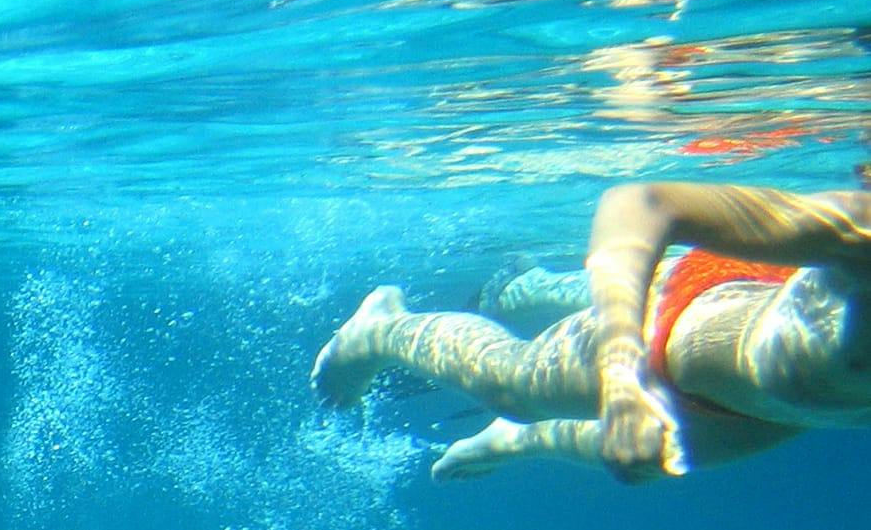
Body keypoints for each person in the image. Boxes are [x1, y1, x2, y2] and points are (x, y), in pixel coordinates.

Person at [312, 178, 871, 482]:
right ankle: (381, 329)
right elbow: (640, 203)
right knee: (516, 387)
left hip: (784, 406)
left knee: (663, 460)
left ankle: (517, 439)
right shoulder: (861, 227)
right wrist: (624, 387)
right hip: (693, 325)